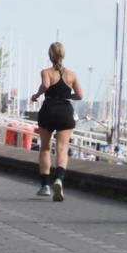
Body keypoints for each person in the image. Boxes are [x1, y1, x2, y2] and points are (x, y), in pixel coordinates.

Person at [30, 42, 84, 201]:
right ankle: (59, 179)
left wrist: (37, 95)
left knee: (45, 149)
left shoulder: (46, 72)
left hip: (48, 110)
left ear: (50, 56)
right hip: (65, 112)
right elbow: (80, 96)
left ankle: (45, 186)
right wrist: (69, 96)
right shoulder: (72, 74)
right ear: (63, 55)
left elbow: (46, 85)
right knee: (62, 148)